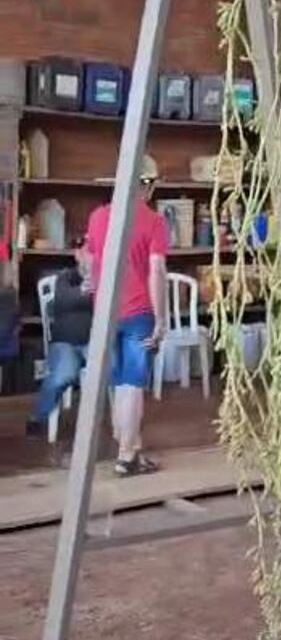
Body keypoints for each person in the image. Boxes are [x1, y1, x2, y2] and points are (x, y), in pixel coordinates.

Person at [86, 173, 168, 476]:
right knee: (132, 384)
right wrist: (160, 319)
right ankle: (126, 455)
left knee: (118, 383)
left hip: (105, 313)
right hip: (139, 312)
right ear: (145, 188)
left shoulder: (97, 217)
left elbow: (90, 260)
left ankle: (130, 449)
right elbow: (156, 271)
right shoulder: (154, 221)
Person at [26, 239, 92, 435]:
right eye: (88, 252)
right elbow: (65, 299)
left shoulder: (107, 279)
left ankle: (112, 424)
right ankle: (37, 417)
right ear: (78, 255)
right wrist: (86, 292)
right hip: (66, 343)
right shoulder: (66, 278)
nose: (92, 257)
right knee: (65, 373)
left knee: (114, 368)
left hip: (95, 343)